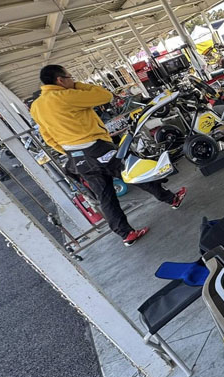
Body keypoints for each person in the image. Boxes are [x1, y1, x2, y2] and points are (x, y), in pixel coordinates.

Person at [30, 65, 186, 247]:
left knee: (105, 196)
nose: (73, 80)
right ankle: (171, 198)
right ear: (60, 80)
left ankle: (126, 234)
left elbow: (48, 138)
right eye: (70, 77)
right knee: (131, 171)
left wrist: (72, 151)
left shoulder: (36, 107)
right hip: (96, 148)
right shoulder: (66, 95)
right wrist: (79, 85)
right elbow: (105, 96)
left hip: (76, 157)